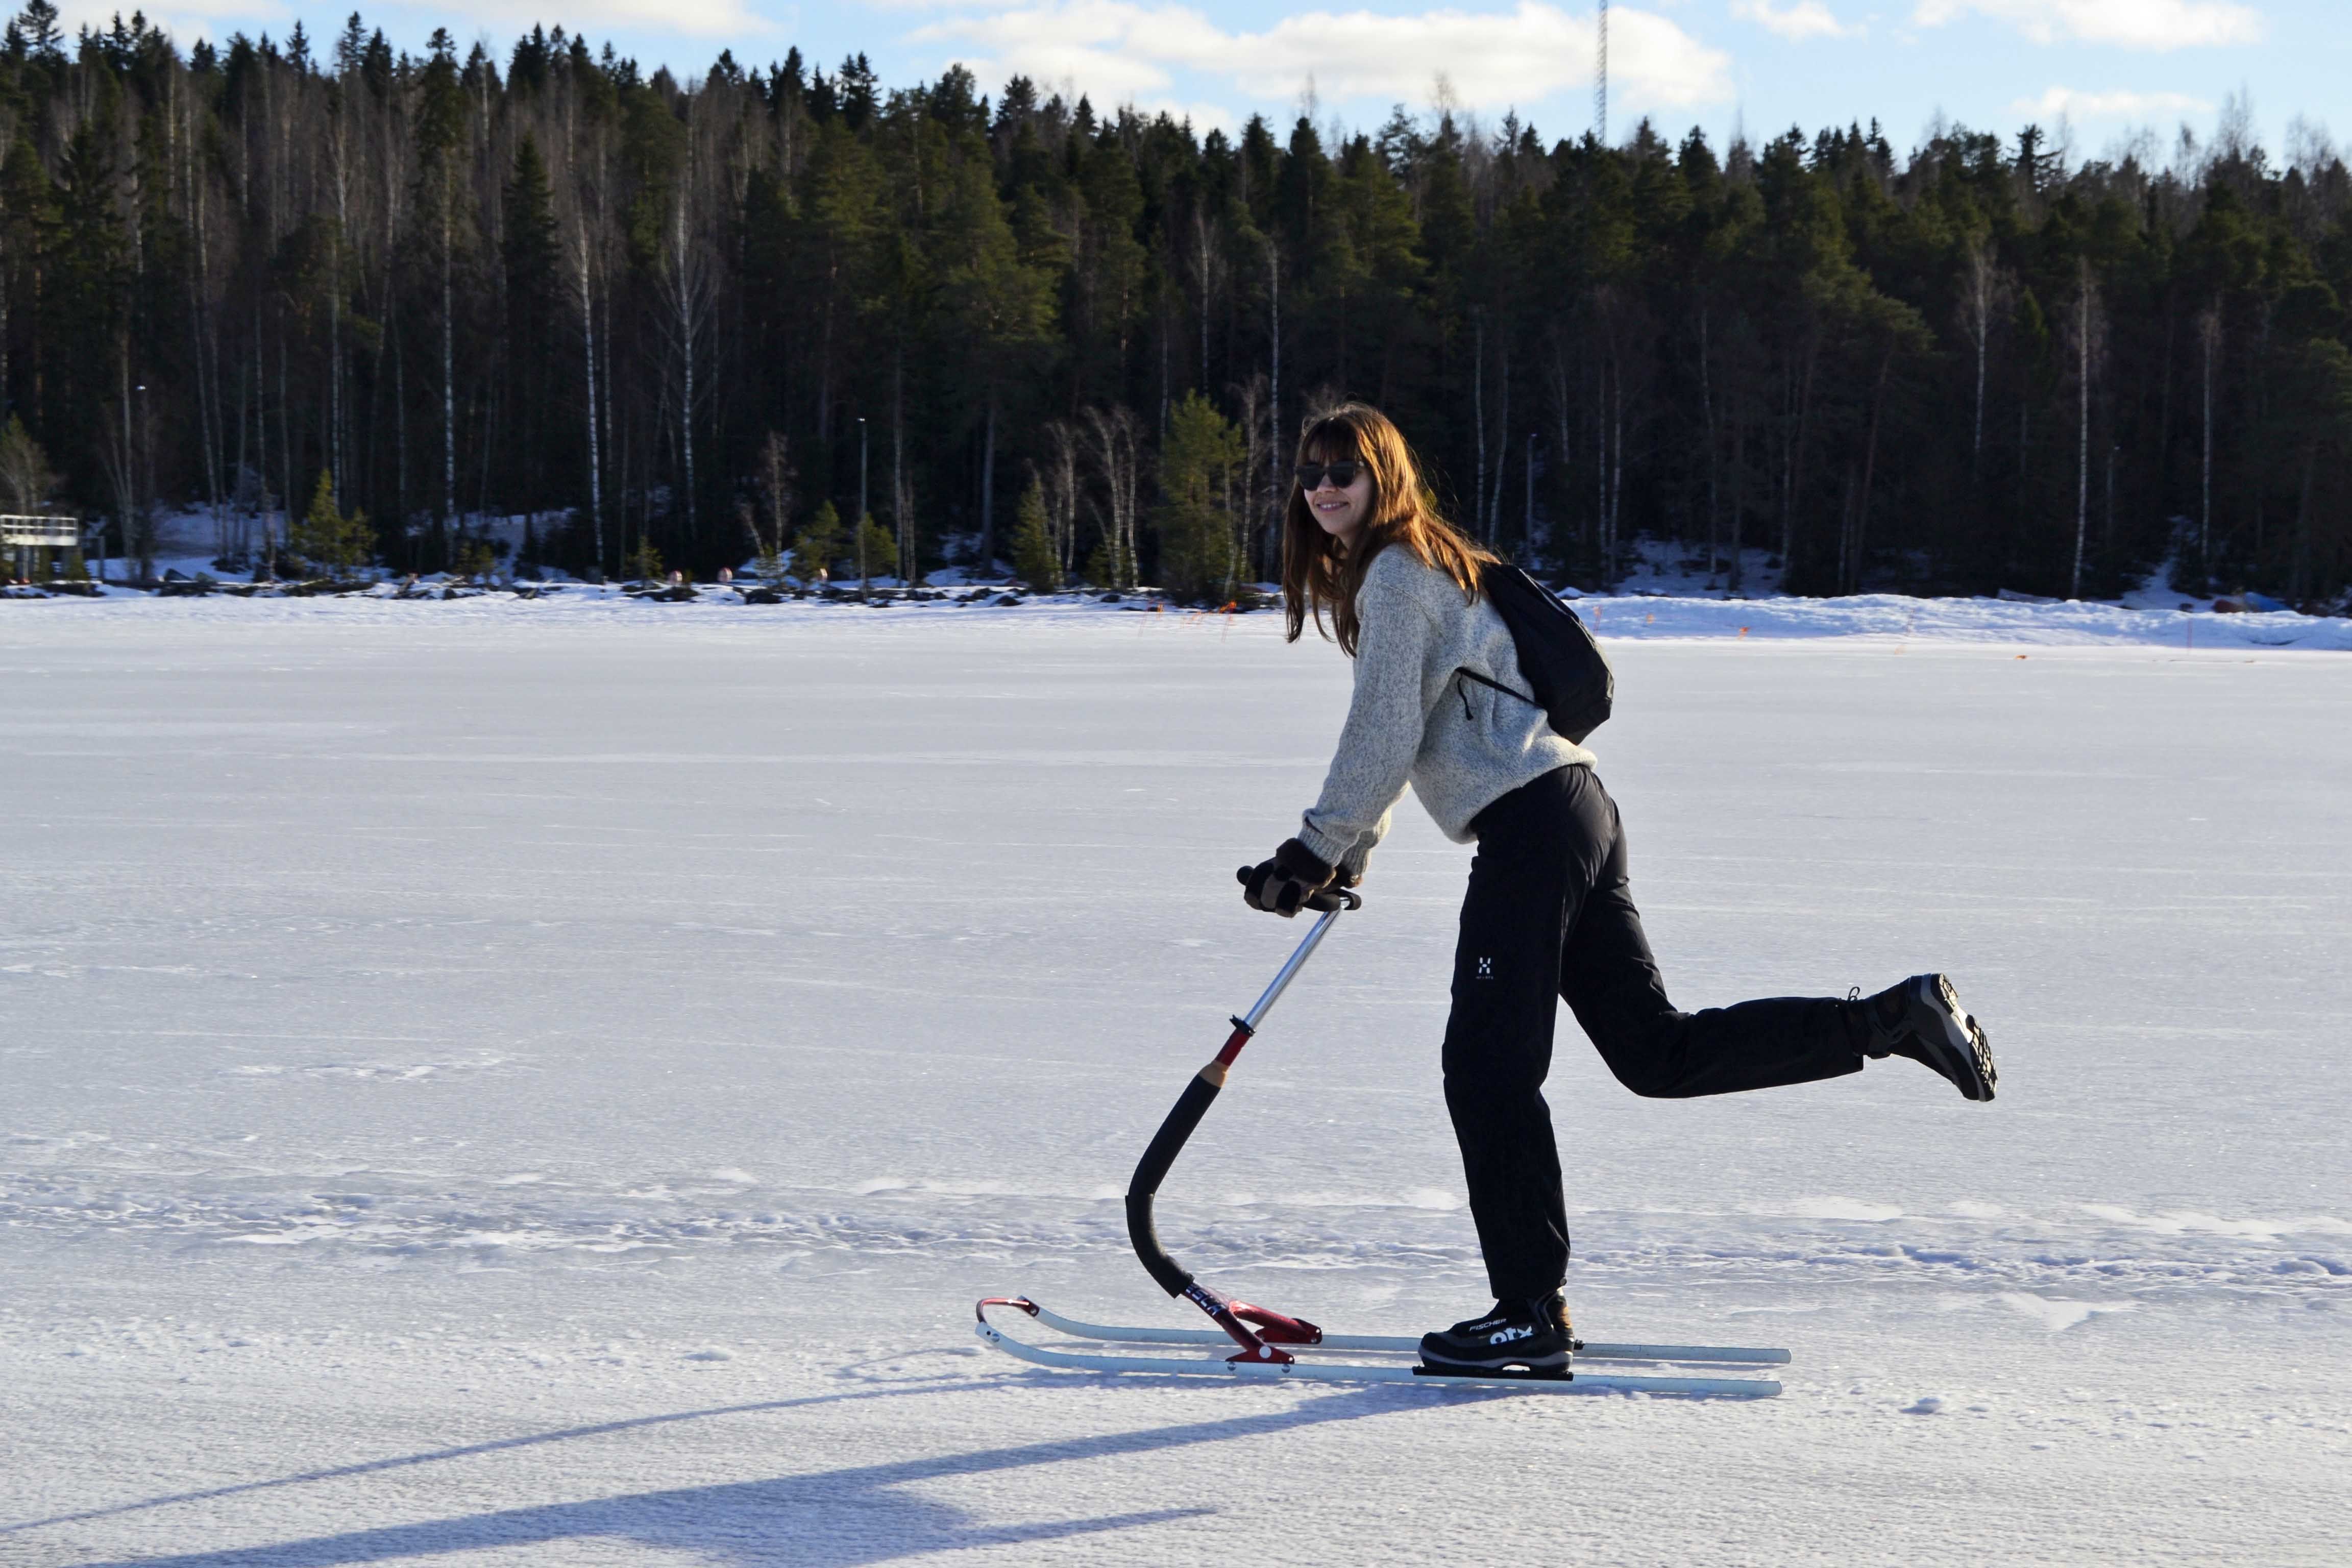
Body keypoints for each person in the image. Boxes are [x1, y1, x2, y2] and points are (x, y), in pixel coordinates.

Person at [1238, 403, 1997, 1376]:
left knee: (1487, 1071)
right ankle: (1891, 1020)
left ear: (1386, 474)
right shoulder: (1431, 565)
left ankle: (1527, 1314)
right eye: (1310, 474)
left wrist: (1312, 852)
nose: (1325, 486)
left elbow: (1382, 736)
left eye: (1345, 466)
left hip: (1530, 827)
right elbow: (1412, 734)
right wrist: (1343, 856)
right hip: (1574, 808)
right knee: (1656, 1051)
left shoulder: (1395, 573)